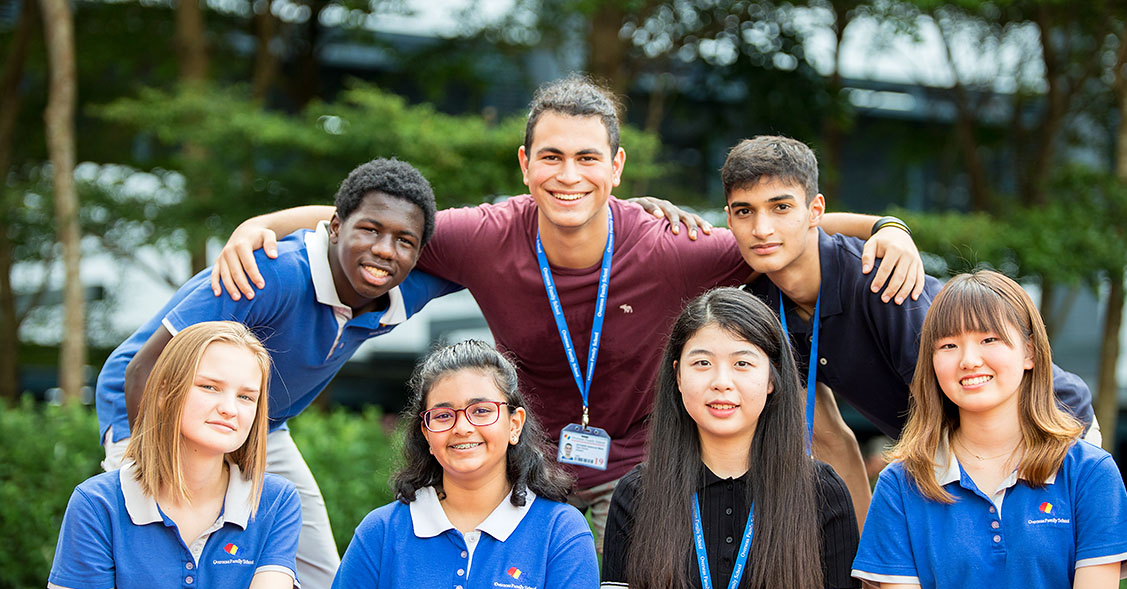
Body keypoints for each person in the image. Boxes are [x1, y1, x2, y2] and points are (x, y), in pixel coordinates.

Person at [209, 76, 928, 556]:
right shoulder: (487, 235)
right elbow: (372, 222)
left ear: (617, 168)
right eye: (551, 157)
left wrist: (887, 226)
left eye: (587, 158)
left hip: (645, 471)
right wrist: (262, 223)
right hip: (530, 467)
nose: (568, 174)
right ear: (525, 164)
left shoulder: (671, 248)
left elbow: (780, 228)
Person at [722, 135, 1098, 589]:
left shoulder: (875, 275)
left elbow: (957, 394)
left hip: (1039, 428)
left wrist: (887, 226)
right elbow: (832, 441)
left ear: (815, 211)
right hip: (935, 458)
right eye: (745, 212)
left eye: (781, 207)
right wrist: (868, 563)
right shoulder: (764, 303)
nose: (762, 226)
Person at [93, 158, 457, 589]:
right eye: (367, 230)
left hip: (263, 428)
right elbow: (147, 370)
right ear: (335, 228)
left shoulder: (404, 282)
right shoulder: (269, 272)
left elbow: (513, 231)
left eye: (403, 241)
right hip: (150, 413)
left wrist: (636, 214)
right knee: (158, 581)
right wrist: (157, 478)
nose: (384, 249)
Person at [851, 271, 1127, 589]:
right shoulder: (900, 484)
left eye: (989, 339)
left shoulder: (1089, 472)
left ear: (1029, 352)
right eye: (947, 345)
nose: (969, 360)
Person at [599, 288, 863, 589]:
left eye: (743, 363)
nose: (722, 381)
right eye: (702, 363)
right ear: (677, 376)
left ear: (772, 378)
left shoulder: (821, 492)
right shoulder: (638, 494)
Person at [311, 340, 603, 589]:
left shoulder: (560, 529)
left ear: (514, 424)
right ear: (426, 434)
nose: (463, 427)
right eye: (443, 416)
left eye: (481, 411)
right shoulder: (381, 532)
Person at [33, 321, 302, 589]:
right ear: (165, 391)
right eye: (210, 387)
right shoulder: (98, 503)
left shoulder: (274, 502)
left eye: (246, 396)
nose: (230, 408)